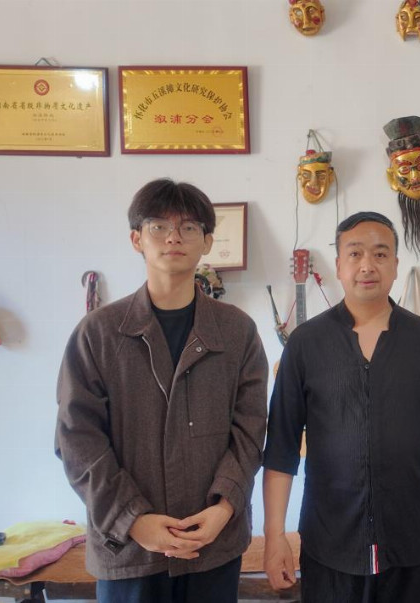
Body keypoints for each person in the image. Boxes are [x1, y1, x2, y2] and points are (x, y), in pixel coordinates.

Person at [55, 178, 269, 603]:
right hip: (127, 550)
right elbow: (77, 439)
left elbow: (251, 430)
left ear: (207, 242)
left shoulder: (237, 331)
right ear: (137, 239)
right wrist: (133, 519)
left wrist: (224, 508)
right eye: (158, 226)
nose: (174, 237)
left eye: (189, 227)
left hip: (212, 545)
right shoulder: (97, 333)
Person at [262, 211, 420, 602]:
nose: (367, 265)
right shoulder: (306, 343)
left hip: (411, 540)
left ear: (396, 264)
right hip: (329, 541)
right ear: (339, 265)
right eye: (355, 253)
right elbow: (280, 450)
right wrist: (274, 535)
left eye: (380, 254)